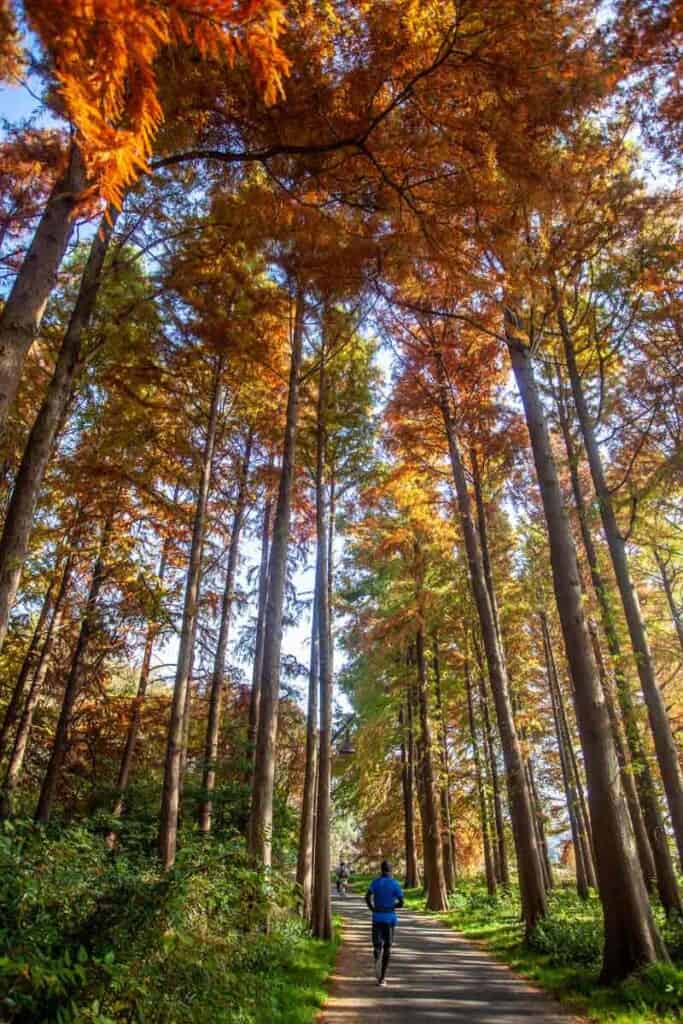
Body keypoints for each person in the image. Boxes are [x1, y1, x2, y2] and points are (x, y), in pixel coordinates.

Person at [365, 860, 404, 986]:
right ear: (391, 870)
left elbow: (367, 897)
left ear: (381, 870)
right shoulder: (394, 884)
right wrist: (393, 906)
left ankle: (377, 957)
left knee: (377, 945)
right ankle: (382, 978)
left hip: (377, 917)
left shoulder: (375, 882)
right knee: (388, 946)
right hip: (389, 918)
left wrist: (372, 908)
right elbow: (402, 902)